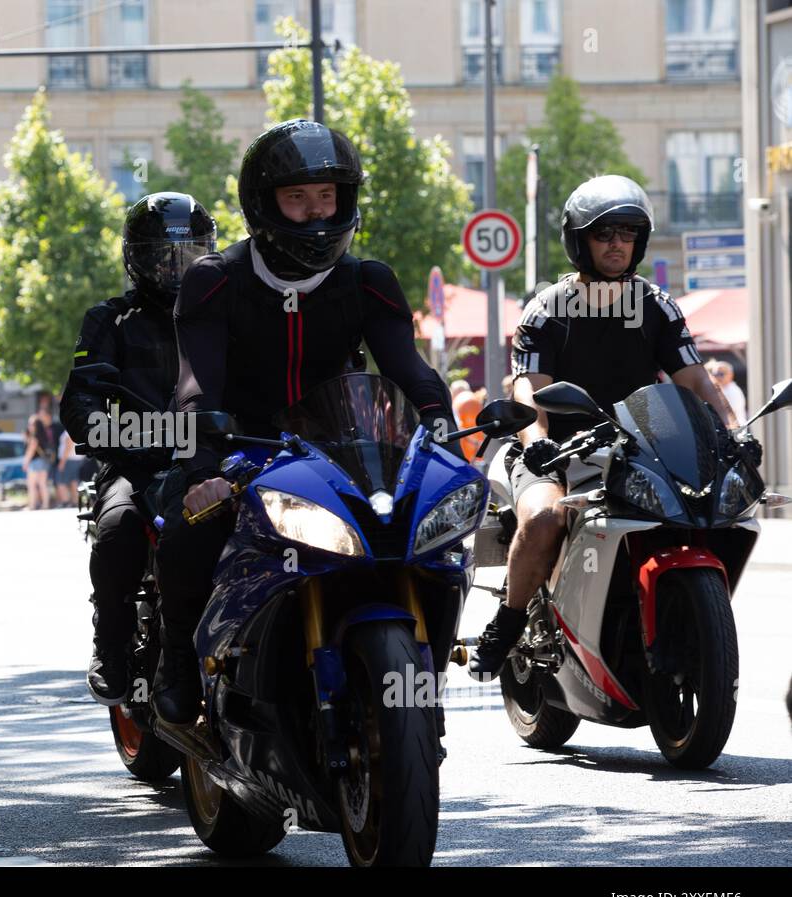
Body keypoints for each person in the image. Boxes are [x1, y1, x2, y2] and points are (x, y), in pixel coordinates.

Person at [151, 121, 456, 725]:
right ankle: (178, 661)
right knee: (185, 527)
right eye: (298, 198)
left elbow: (410, 372)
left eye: (328, 197)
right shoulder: (214, 281)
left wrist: (444, 430)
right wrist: (201, 469)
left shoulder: (370, 282)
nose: (317, 214)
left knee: (433, 540)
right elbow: (193, 387)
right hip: (243, 451)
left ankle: (427, 674)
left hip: (343, 455)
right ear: (263, 205)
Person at [470, 175, 751, 680]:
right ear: (580, 240)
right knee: (543, 518)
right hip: (556, 450)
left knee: (708, 508)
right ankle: (508, 623)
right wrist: (535, 443)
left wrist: (731, 432)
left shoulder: (656, 305)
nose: (617, 243)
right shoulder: (548, 309)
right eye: (604, 234)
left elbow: (695, 381)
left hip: (639, 448)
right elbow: (527, 389)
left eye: (627, 233)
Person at [61, 191, 216, 704]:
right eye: (163, 255)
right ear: (137, 259)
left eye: (190, 253)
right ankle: (111, 640)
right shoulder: (109, 321)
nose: (176, 267)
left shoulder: (222, 316)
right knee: (119, 525)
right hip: (139, 463)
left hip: (220, 459)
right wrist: (116, 435)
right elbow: (80, 399)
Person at [23, 394, 58, 511]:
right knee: (43, 484)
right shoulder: (43, 436)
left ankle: (32, 505)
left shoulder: (34, 437)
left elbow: (31, 450)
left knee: (32, 485)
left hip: (35, 462)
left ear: (35, 425)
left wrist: (25, 462)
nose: (29, 426)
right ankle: (45, 504)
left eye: (30, 424)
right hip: (44, 462)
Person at [705, 359, 748, 425]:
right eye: (715, 374)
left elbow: (729, 415)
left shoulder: (733, 391)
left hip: (735, 431)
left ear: (730, 375)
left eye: (721, 374)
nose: (718, 377)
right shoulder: (720, 389)